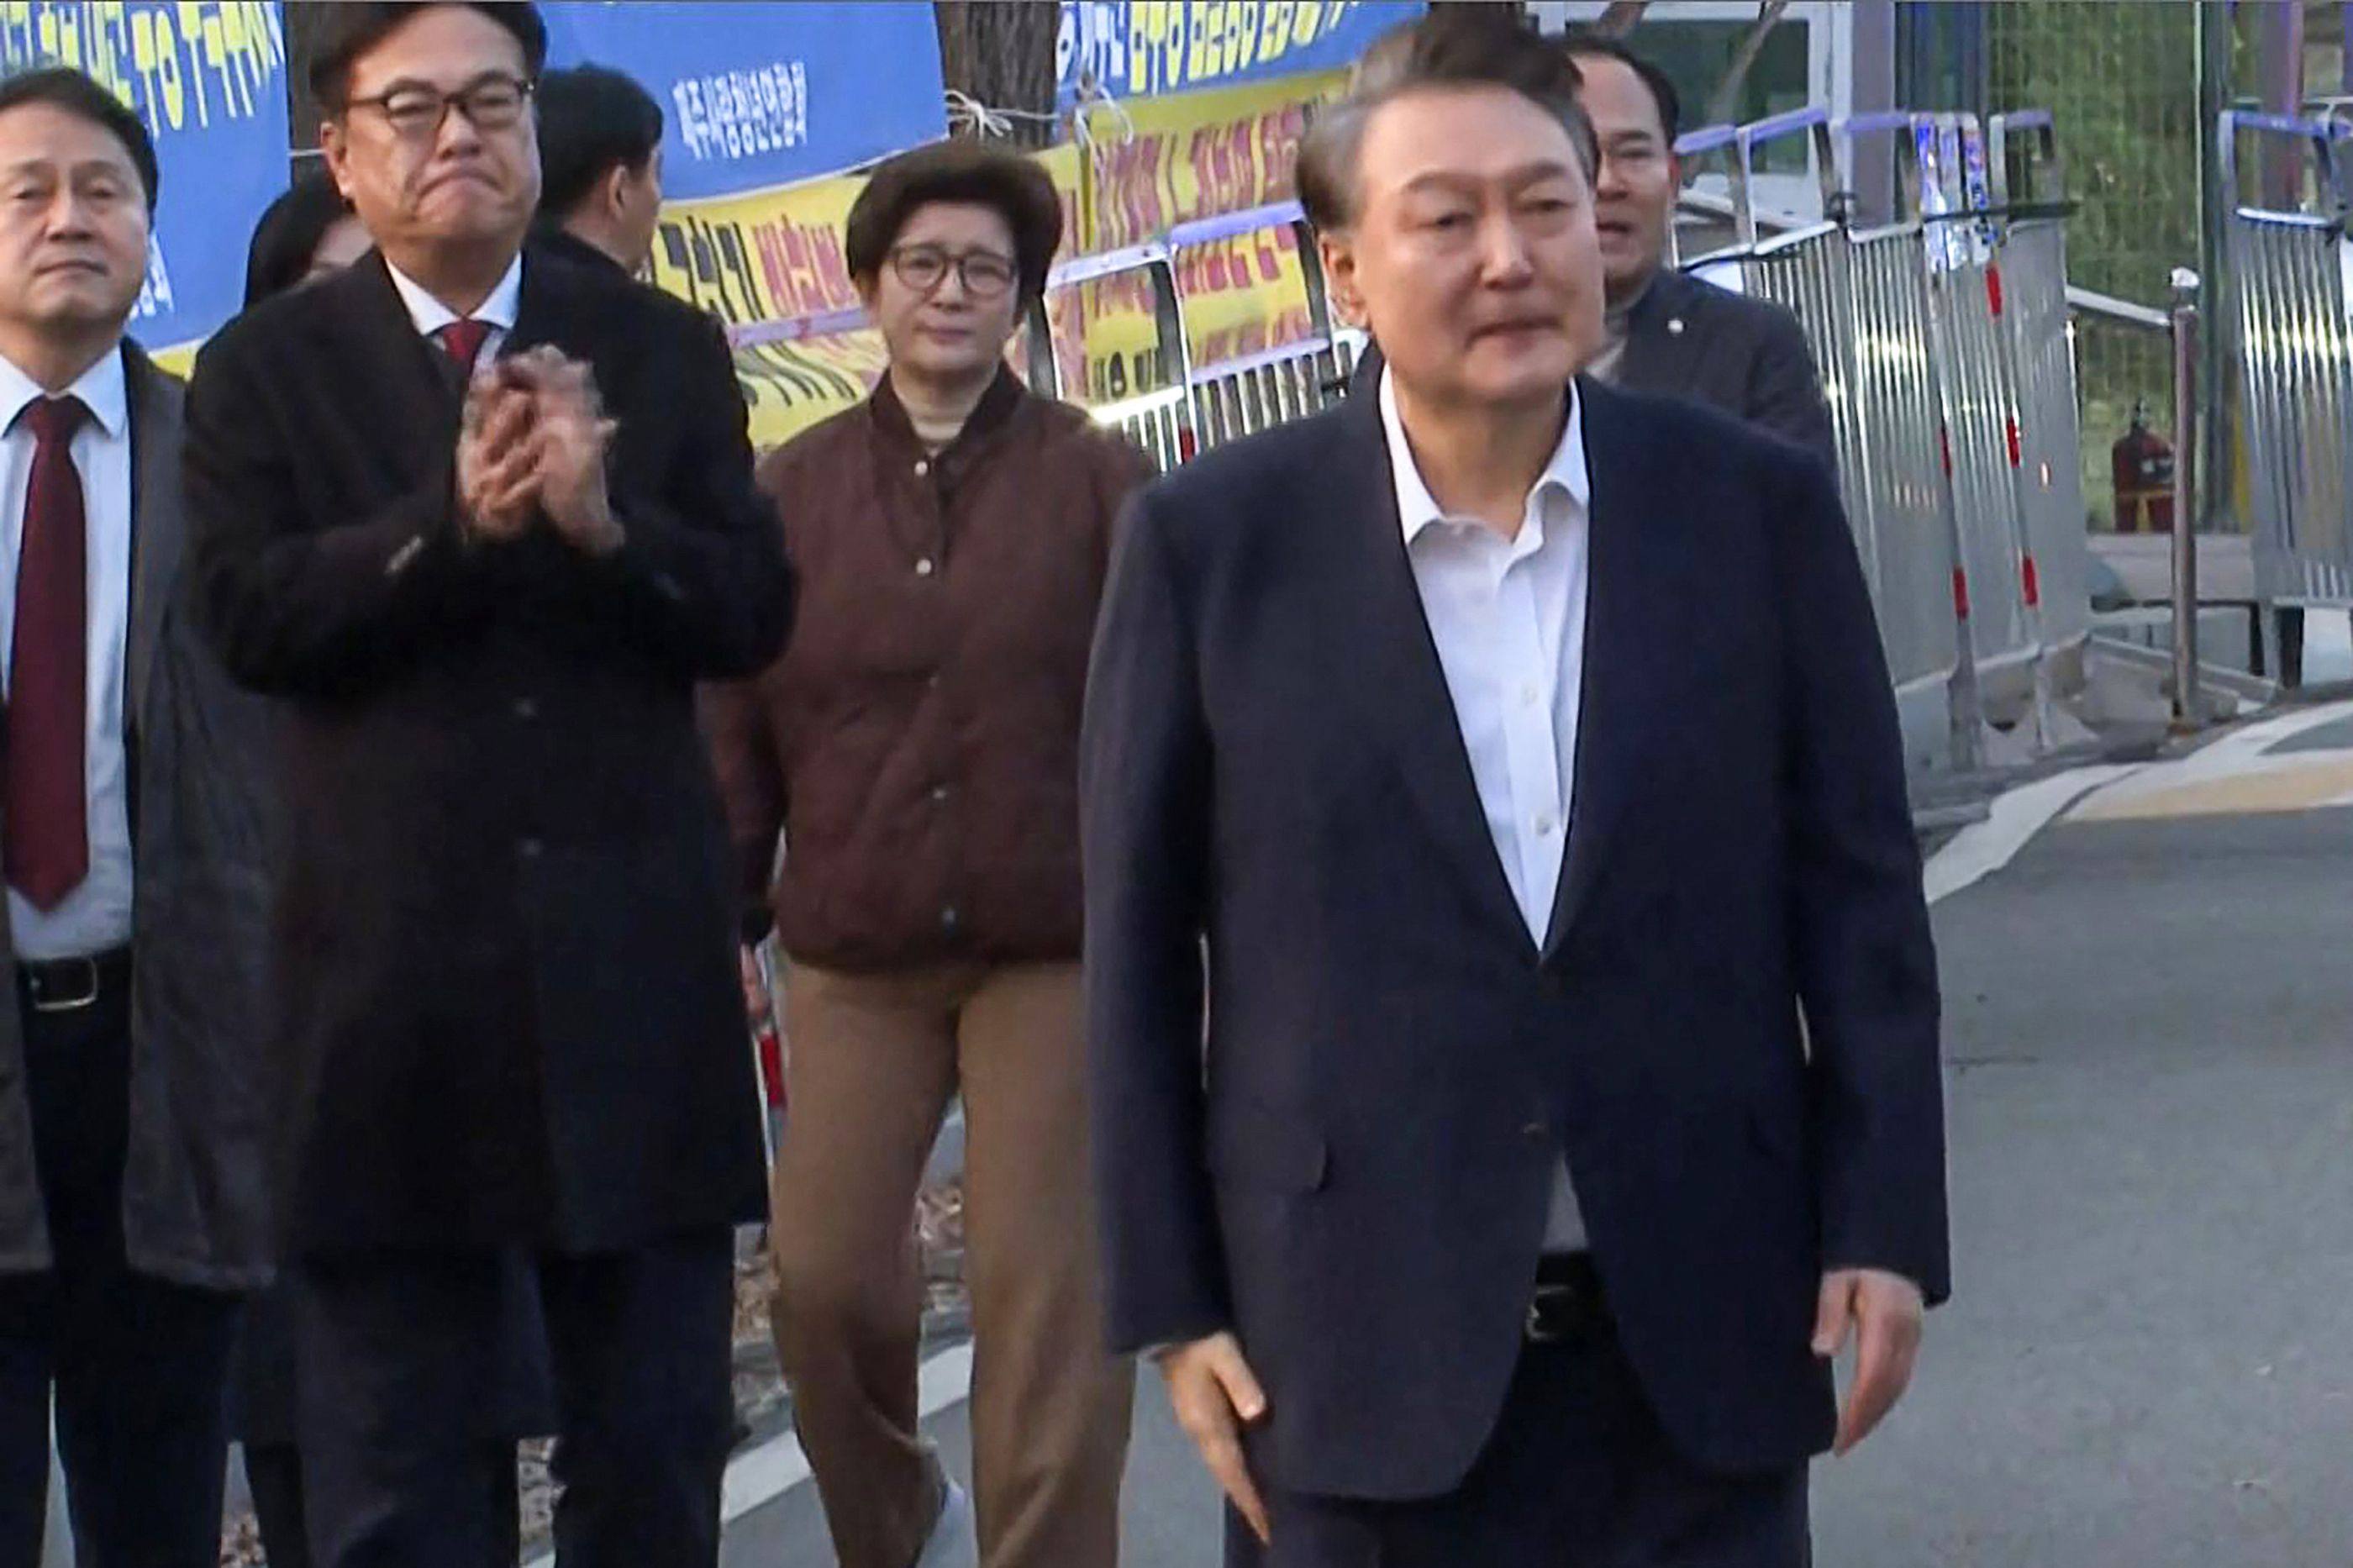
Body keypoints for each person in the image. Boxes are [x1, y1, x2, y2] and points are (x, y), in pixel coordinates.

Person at [1082, 15, 1949, 1568]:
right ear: (1342, 269)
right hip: (1349, 1347)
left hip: (1699, 1335)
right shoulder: (1213, 548)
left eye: (1549, 203)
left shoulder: (1748, 512)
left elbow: (1861, 895)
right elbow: (1138, 951)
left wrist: (1885, 1219)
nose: (1512, 255)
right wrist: (1171, 1299)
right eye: (1447, 217)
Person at [182, 4, 793, 1564]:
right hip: (389, 1000)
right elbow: (248, 621)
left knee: (654, 1459)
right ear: (342, 146)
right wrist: (441, 533)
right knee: (400, 1490)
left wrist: (608, 534)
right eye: (415, 108)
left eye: (492, 101)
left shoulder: (652, 342)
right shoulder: (264, 372)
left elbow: (752, 606)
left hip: (631, 984)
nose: (459, 135)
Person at [703, 140, 1147, 1568]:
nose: (952, 293)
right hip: (852, 947)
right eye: (923, 266)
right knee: (821, 1290)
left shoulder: (1102, 482)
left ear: (1021, 299)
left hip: (1056, 945)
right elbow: (738, 719)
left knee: (1047, 1317)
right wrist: (728, 908)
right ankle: (898, 1525)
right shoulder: (791, 495)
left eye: (985, 271)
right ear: (867, 287)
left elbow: (1164, 718)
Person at [224, 163, 554, 1568]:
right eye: (327, 295)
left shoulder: (503, 508)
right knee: (311, 1439)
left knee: (451, 1434)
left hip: (446, 1013)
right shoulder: (234, 497)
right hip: (263, 1000)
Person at [0, 65, 278, 1566]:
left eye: (101, 190)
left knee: (155, 1511)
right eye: (28, 189)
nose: (66, 218)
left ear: (149, 235)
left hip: (165, 1073)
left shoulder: (229, 474)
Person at [1563, 29, 1835, 459]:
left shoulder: (1751, 347)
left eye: (1633, 154)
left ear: (1672, 181)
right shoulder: (1461, 349)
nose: (1608, 183)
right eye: (1580, 154)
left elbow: (1795, 519)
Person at [532, 64, 663, 276]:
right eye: (656, 173)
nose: (659, 198)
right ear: (620, 192)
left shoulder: (480, 297)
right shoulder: (643, 308)